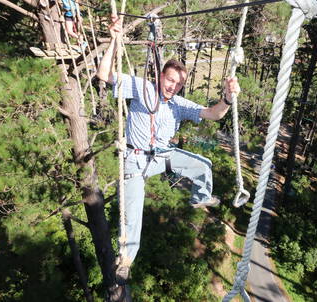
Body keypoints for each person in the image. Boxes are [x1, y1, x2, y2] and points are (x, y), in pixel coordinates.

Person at [96, 15, 240, 278]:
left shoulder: (178, 104)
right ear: (161, 76)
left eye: (178, 83)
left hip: (161, 157)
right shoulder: (143, 89)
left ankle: (199, 197)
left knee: (203, 165)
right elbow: (104, 74)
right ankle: (126, 261)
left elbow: (214, 114)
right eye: (170, 79)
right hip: (136, 160)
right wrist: (115, 40)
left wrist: (228, 98)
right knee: (133, 215)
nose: (173, 86)